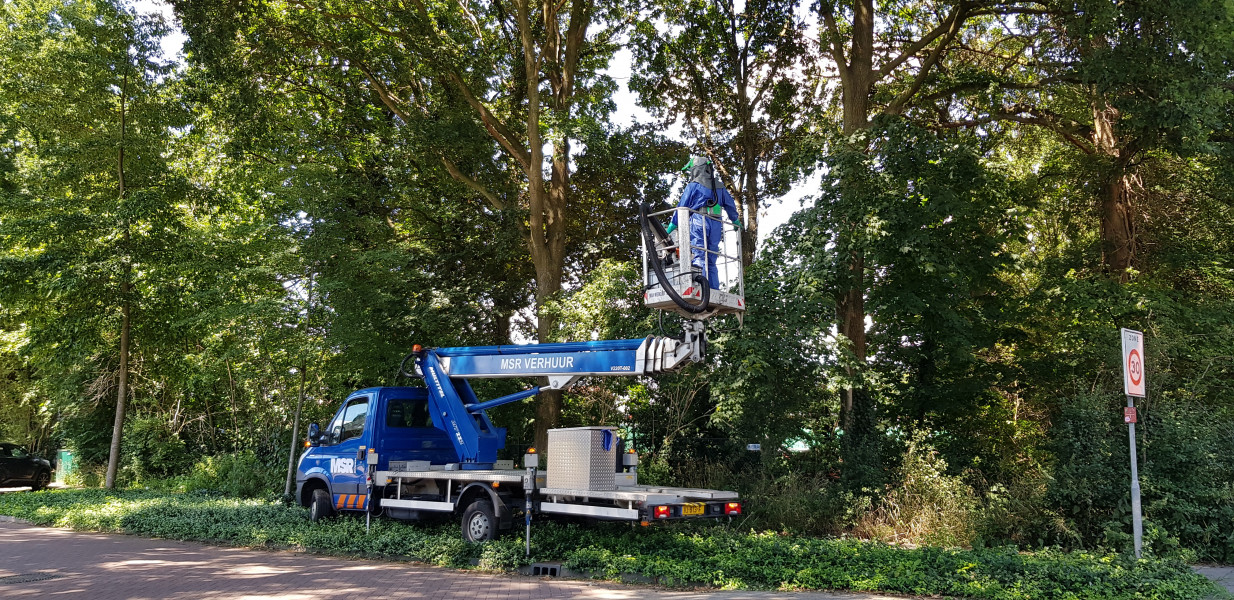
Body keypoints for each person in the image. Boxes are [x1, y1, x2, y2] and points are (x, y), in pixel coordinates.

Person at [665, 155, 741, 289]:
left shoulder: (693, 186)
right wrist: (735, 220)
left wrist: (672, 225)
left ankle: (702, 289)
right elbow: (729, 204)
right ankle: (714, 288)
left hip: (699, 221)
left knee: (699, 255)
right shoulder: (719, 186)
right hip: (716, 223)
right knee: (711, 259)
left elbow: (682, 207)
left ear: (696, 169)